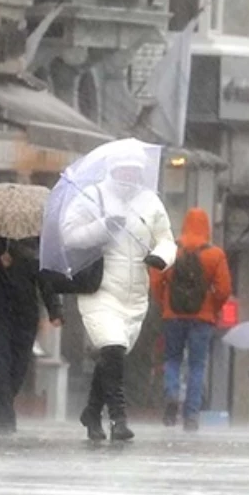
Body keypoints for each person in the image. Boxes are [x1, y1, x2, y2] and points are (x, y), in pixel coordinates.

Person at [60, 152, 176, 442]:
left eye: (134, 171)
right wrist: (102, 227)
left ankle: (91, 412)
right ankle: (118, 418)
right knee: (112, 348)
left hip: (135, 294)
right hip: (100, 290)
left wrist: (160, 257)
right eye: (124, 169)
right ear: (113, 169)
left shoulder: (150, 202)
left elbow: (166, 238)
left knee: (114, 354)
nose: (129, 176)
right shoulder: (92, 196)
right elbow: (70, 235)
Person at [0, 235, 63, 436]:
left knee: (19, 366)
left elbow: (46, 279)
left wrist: (55, 310)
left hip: (24, 314)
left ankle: (0, 403)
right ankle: (5, 416)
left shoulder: (36, 243)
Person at [152, 208, 232, 431]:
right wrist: (212, 307)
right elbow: (224, 289)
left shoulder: (170, 250)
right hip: (203, 318)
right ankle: (191, 415)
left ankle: (171, 395)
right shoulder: (215, 254)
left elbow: (156, 281)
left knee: (172, 360)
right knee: (197, 365)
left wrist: (165, 303)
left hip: (173, 315)